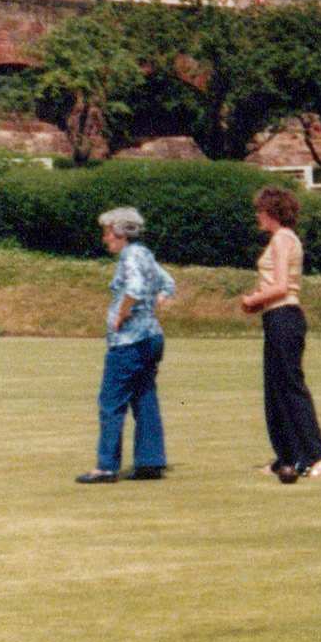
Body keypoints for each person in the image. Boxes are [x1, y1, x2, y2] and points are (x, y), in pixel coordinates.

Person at [239, 186, 321, 480]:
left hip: (285, 317)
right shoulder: (278, 239)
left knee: (290, 386)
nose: (257, 215)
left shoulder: (283, 239)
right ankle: (289, 457)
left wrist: (251, 300)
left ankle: (319, 455)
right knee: (275, 389)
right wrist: (259, 302)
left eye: (261, 210)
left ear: (272, 212)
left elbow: (282, 286)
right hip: (275, 317)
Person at [77, 207, 176, 483]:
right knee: (144, 397)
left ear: (120, 233)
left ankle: (106, 466)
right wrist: (151, 304)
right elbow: (167, 284)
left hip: (129, 342)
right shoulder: (144, 253)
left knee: (111, 401)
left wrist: (121, 313)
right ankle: (150, 462)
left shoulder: (129, 257)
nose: (105, 238)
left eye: (107, 232)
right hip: (152, 337)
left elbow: (133, 287)